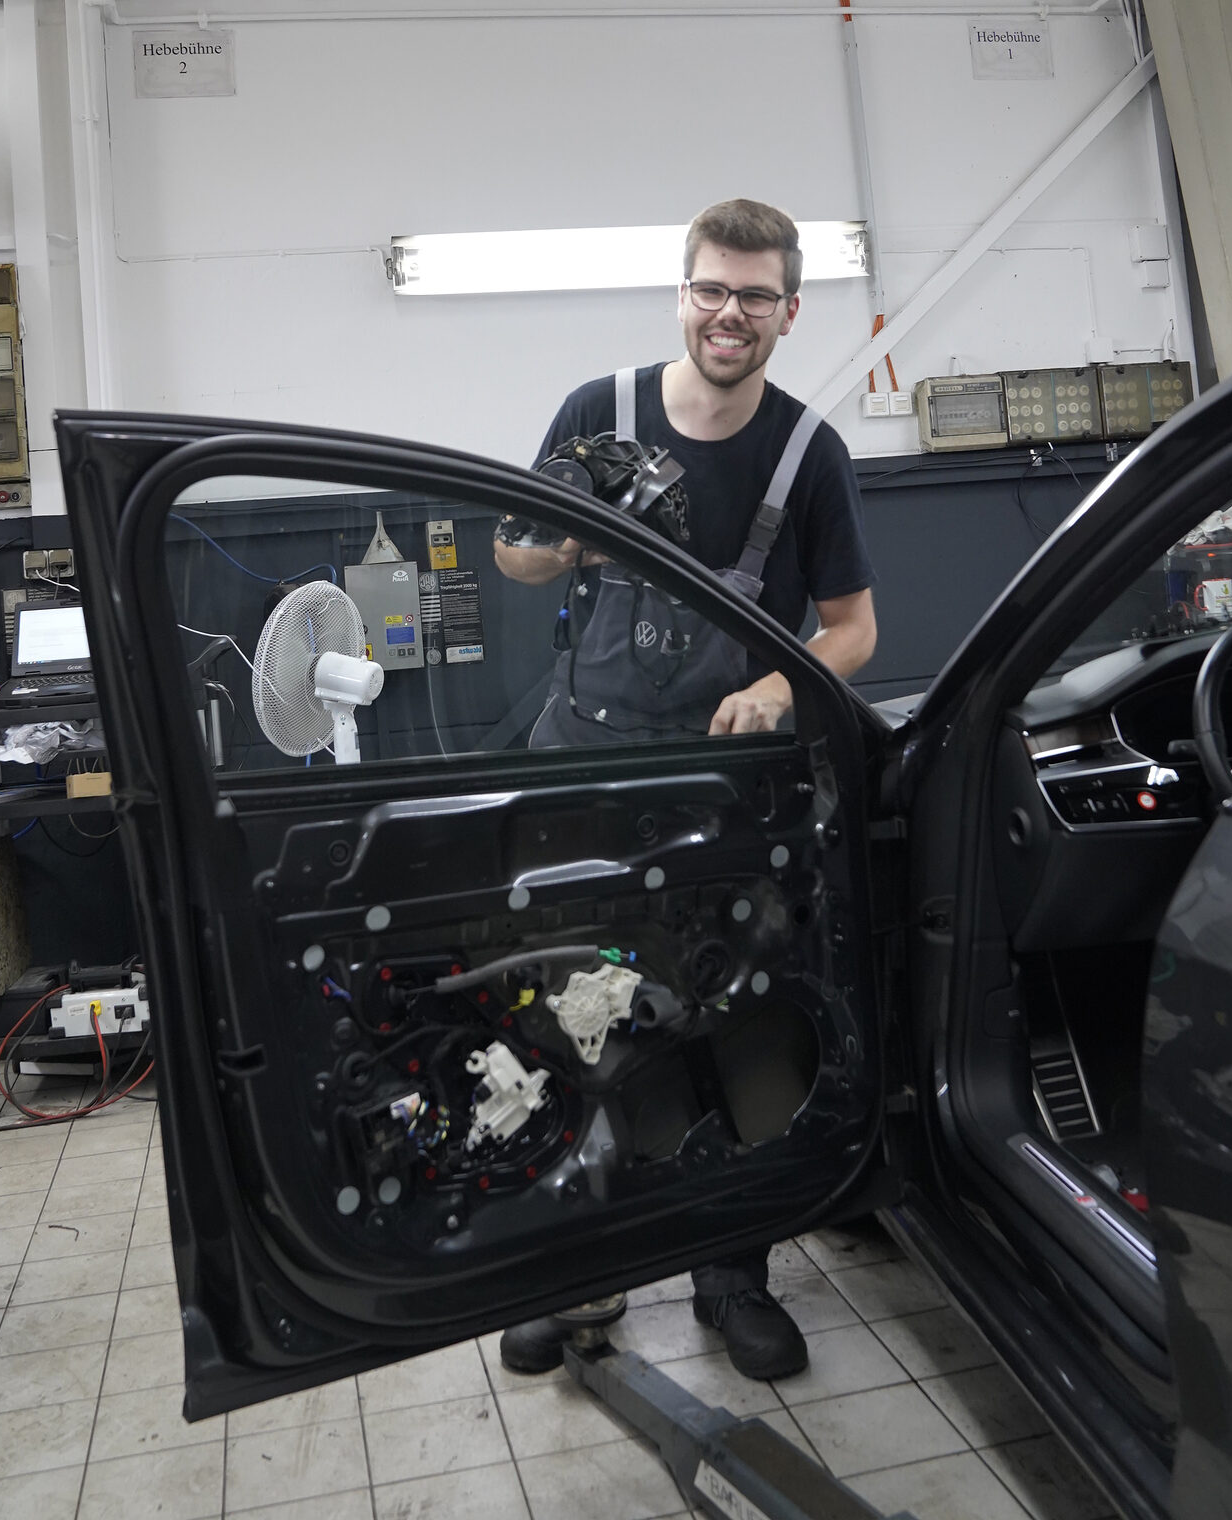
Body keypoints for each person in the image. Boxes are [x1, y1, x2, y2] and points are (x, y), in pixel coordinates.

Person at [492, 199, 878, 1382]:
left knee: (732, 1015)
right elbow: (510, 549)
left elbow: (854, 631)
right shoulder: (591, 412)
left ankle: (729, 1272)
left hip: (725, 783)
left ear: (788, 312)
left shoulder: (809, 453)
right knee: (571, 1014)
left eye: (756, 296)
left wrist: (777, 683)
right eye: (713, 288)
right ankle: (578, 1273)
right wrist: (571, 540)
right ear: (682, 292)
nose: (730, 313)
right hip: (585, 762)